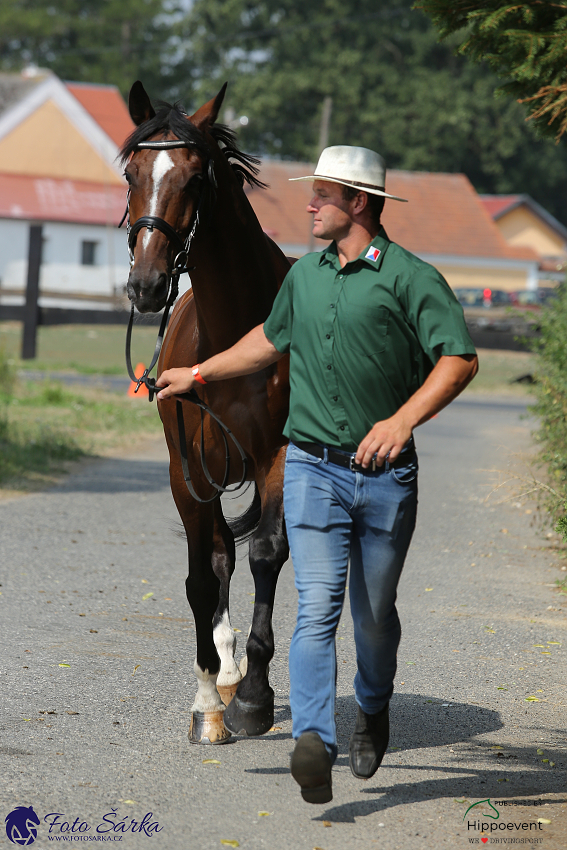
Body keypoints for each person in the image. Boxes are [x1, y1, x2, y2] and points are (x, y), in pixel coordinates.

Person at [156, 145, 478, 804]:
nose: (308, 204)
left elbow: (458, 360)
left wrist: (400, 422)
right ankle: (313, 740)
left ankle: (373, 707)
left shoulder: (411, 278)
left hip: (384, 476)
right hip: (310, 468)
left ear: (356, 202)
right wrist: (195, 372)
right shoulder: (302, 277)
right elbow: (266, 341)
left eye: (322, 195)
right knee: (315, 612)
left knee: (372, 617)